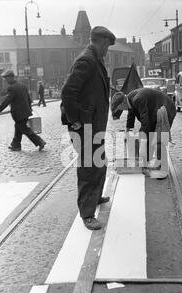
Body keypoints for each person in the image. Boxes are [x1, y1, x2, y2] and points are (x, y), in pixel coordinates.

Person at [61, 26, 116, 230]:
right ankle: (87, 214)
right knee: (88, 168)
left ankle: (95, 197)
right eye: (107, 46)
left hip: (94, 126)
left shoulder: (95, 60)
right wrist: (74, 120)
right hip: (84, 127)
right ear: (100, 42)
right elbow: (68, 92)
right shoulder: (87, 60)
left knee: (99, 163)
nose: (107, 51)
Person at [111, 87, 176, 179]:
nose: (121, 111)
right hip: (155, 112)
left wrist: (142, 142)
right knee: (150, 136)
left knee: (159, 140)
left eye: (119, 108)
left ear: (122, 104)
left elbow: (145, 122)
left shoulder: (138, 99)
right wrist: (127, 130)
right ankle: (149, 162)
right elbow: (131, 115)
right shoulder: (129, 98)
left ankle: (163, 170)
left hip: (165, 109)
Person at [0, 70, 46, 152]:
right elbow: (28, 99)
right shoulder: (22, 85)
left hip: (18, 114)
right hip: (26, 112)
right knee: (18, 127)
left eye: (6, 78)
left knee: (24, 129)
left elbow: (7, 101)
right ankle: (16, 145)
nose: (5, 81)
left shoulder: (12, 88)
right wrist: (29, 109)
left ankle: (40, 141)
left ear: (10, 78)